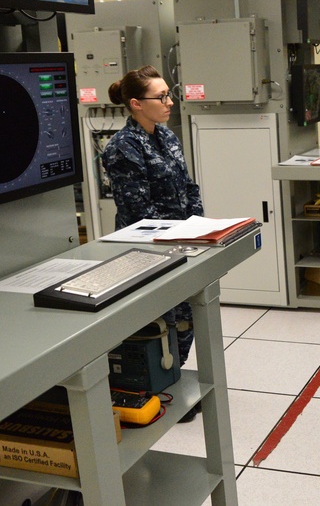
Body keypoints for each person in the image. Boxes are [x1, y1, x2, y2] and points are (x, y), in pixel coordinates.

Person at [102, 65, 202, 417]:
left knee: (187, 315)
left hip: (184, 241)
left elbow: (189, 186)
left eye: (168, 94)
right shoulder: (121, 148)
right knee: (162, 319)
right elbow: (139, 212)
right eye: (160, 97)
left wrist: (199, 226)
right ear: (136, 104)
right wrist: (182, 232)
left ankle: (171, 378)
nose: (169, 101)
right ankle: (157, 384)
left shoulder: (167, 136)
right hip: (148, 251)